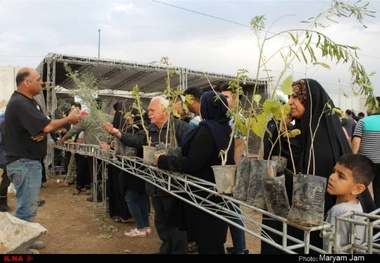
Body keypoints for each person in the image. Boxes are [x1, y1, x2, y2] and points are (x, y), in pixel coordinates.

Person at [261, 78, 376, 253]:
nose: (290, 102)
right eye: (290, 96)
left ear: (311, 101)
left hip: (315, 223)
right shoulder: (300, 131)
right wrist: (282, 130)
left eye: (296, 97)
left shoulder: (323, 138)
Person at [4, 67, 81, 251]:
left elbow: (41, 127)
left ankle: (27, 238)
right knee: (26, 208)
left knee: (29, 205)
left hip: (27, 163)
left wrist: (42, 130)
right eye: (38, 80)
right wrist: (68, 119)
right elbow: (46, 126)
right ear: (26, 83)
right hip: (24, 163)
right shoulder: (20, 103)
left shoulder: (28, 103)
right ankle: (20, 248)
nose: (42, 83)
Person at [104, 96, 191, 253]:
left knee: (176, 223)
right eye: (148, 110)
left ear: (165, 110)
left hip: (175, 186)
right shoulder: (149, 130)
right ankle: (166, 248)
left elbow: (189, 154)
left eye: (152, 110)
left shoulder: (181, 128)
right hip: (155, 184)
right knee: (161, 221)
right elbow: (136, 141)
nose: (148, 113)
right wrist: (117, 133)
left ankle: (178, 251)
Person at [155, 91, 235, 254]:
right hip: (219, 193)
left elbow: (193, 162)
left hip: (203, 195)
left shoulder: (207, 131)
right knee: (214, 241)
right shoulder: (225, 129)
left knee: (208, 243)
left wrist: (163, 160)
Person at [218, 82, 248, 254]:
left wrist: (233, 173)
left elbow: (238, 147)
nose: (223, 99)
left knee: (233, 210)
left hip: (231, 170)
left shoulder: (238, 118)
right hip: (225, 168)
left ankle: (240, 248)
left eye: (227, 96)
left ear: (236, 99)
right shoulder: (225, 115)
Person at [323, 153, 375, 252]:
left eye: (341, 176)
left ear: (357, 188)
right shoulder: (356, 205)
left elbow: (330, 246)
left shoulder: (338, 211)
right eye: (334, 171)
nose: (332, 177)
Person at [352, 96, 380, 208]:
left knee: (361, 188)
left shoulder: (363, 122)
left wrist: (353, 158)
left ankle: (364, 211)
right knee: (379, 190)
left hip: (366, 162)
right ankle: (378, 216)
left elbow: (356, 142)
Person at [0, 113, 11, 212]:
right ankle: (2, 202)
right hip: (5, 152)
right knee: (7, 176)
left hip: (6, 151)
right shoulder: (4, 121)